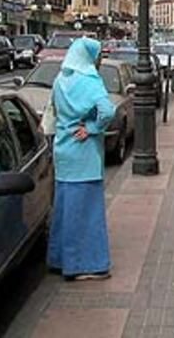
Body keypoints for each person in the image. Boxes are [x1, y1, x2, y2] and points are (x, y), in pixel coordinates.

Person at [47, 37, 115, 281]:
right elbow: (108, 110)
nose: (99, 61)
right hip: (83, 152)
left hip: (63, 150)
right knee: (85, 211)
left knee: (64, 209)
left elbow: (53, 110)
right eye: (98, 56)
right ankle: (84, 265)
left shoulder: (60, 79)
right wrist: (92, 128)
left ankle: (59, 258)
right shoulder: (89, 81)